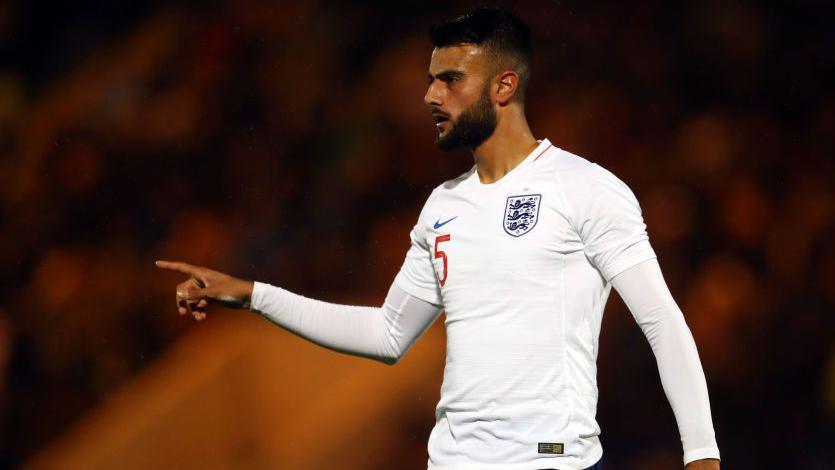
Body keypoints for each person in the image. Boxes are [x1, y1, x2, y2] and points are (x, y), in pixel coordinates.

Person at [156, 7, 720, 470]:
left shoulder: (585, 189)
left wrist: (701, 456)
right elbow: (388, 332)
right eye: (431, 78)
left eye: (450, 79)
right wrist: (254, 294)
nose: (429, 94)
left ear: (504, 85)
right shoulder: (443, 207)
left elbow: (661, 321)